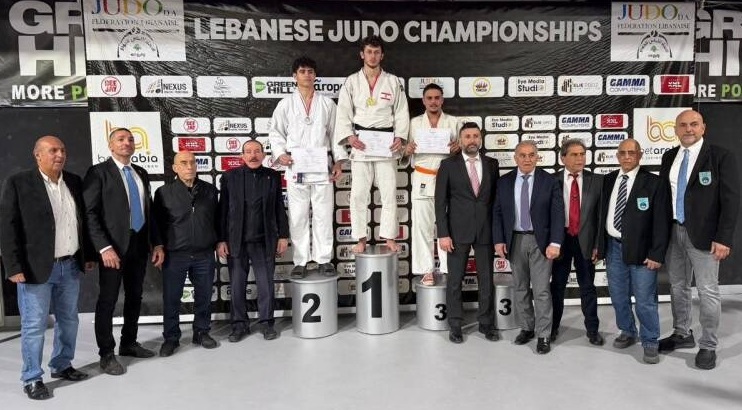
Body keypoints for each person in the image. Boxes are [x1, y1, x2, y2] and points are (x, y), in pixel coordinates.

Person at [0, 136, 93, 400]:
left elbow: (82, 222)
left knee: (69, 320)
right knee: (34, 325)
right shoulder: (18, 182)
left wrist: (86, 254)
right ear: (37, 155)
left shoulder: (73, 181)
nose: (59, 154)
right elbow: (7, 227)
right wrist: (13, 266)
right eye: (53, 150)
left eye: (62, 150)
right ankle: (32, 378)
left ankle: (62, 364)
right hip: (35, 269)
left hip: (70, 265)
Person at [658, 109, 740, 370]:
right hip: (674, 232)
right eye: (683, 125)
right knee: (677, 286)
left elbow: (731, 201)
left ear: (703, 128)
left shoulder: (720, 157)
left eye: (694, 124)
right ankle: (682, 333)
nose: (688, 129)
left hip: (706, 236)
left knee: (707, 291)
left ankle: (708, 345)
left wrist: (723, 237)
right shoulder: (669, 156)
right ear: (676, 130)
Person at [84, 127, 165, 375]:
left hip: (139, 245)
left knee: (135, 297)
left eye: (130, 139)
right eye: (120, 139)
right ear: (110, 145)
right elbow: (90, 213)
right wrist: (103, 247)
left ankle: (128, 343)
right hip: (112, 249)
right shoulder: (98, 172)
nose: (126, 142)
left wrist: (157, 243)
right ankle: (106, 354)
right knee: (108, 300)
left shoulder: (140, 172)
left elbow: (149, 210)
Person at [269, 56, 347, 278]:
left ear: (315, 75)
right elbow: (276, 132)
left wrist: (339, 161)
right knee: (298, 215)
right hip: (296, 166)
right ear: (294, 76)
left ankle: (323, 259)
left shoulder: (327, 104)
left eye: (310, 71)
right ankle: (301, 260)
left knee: (323, 214)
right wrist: (280, 154)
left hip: (322, 167)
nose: (306, 75)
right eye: (302, 71)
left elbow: (336, 134)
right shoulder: (285, 104)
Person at [597, 138, 671, 365]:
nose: (627, 156)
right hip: (613, 247)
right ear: (617, 156)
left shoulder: (654, 183)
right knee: (618, 295)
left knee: (644, 299)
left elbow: (662, 221)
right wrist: (599, 246)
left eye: (632, 152)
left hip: (643, 250)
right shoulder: (608, 180)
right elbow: (600, 216)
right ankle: (628, 330)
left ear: (640, 155)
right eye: (623, 153)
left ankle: (650, 340)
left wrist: (657, 253)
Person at [334, 35, 409, 253]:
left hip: (386, 144)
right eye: (369, 52)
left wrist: (400, 137)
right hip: (362, 143)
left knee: (389, 193)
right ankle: (360, 238)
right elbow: (343, 112)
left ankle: (389, 237)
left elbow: (401, 112)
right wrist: (349, 137)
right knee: (358, 195)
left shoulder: (393, 81)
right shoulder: (351, 81)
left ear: (382, 55)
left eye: (376, 52)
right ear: (362, 54)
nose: (373, 56)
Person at [493, 140, 564, 354]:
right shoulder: (504, 182)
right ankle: (527, 328)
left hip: (540, 242)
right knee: (521, 288)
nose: (527, 159)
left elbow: (557, 214)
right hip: (514, 240)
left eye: (531, 155)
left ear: (537, 157)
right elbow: (497, 213)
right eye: (522, 155)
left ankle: (544, 335)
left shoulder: (549, 181)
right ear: (515, 158)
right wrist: (499, 240)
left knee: (541, 291)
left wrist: (555, 242)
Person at [218, 140, 290, 342]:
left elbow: (279, 207)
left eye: (257, 151)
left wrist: (283, 235)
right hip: (236, 241)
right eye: (248, 152)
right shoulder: (229, 177)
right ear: (242, 156)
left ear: (263, 155)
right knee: (237, 285)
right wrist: (221, 239)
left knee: (266, 285)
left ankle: (267, 323)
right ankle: (239, 325)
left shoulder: (272, 176)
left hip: (264, 241)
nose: (253, 155)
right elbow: (223, 210)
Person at [434, 122, 499, 343]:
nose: (472, 140)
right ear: (460, 140)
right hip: (456, 232)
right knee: (454, 281)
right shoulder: (447, 165)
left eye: (476, 136)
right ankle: (455, 325)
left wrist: (497, 233)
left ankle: (486, 323)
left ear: (480, 139)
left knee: (486, 280)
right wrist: (443, 234)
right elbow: (440, 202)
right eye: (468, 136)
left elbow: (496, 202)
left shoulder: (492, 164)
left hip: (486, 231)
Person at [153, 151, 220, 357]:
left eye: (192, 162)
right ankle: (171, 338)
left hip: (204, 254)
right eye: (183, 163)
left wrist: (220, 241)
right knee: (172, 298)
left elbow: (218, 219)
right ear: (175, 168)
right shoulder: (163, 192)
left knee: (204, 296)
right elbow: (156, 224)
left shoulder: (210, 190)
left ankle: (201, 332)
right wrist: (158, 246)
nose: (189, 166)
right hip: (175, 254)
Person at [403, 83, 460, 286]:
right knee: (422, 227)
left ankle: (447, 267)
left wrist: (458, 148)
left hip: (448, 179)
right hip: (423, 177)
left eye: (437, 98)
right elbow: (404, 152)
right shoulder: (414, 123)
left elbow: (463, 150)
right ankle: (426, 270)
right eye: (429, 98)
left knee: (448, 226)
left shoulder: (453, 122)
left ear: (442, 100)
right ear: (423, 101)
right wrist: (407, 150)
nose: (433, 101)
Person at [550, 139, 604, 345]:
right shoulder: (551, 180)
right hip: (560, 241)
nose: (580, 158)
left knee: (588, 287)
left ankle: (593, 330)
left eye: (582, 154)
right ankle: (552, 328)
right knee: (557, 287)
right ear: (563, 158)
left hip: (586, 242)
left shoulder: (597, 181)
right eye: (574, 154)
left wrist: (598, 244)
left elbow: (600, 217)